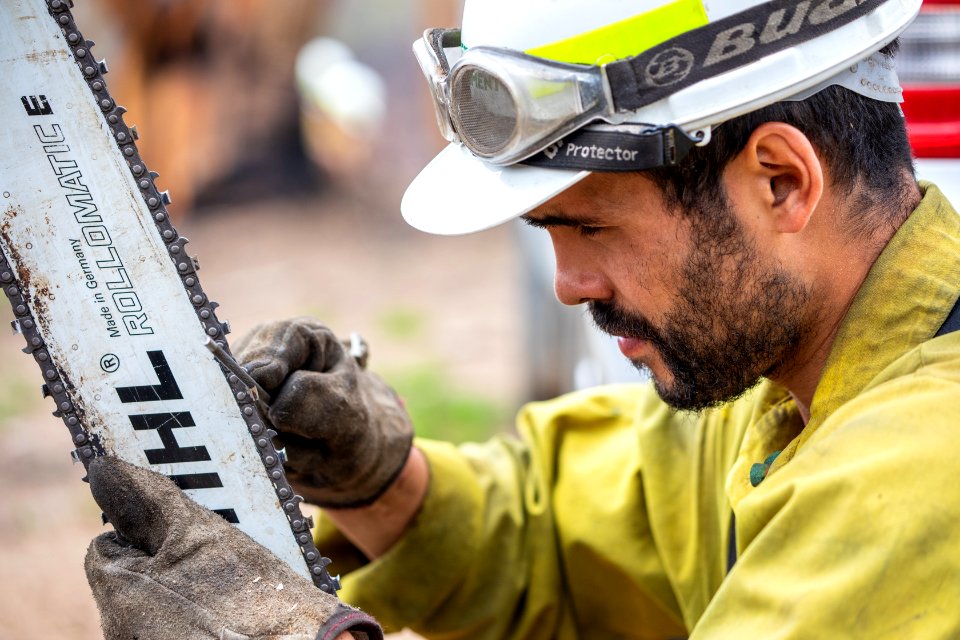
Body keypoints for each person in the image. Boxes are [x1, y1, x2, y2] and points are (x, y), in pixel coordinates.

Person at [85, 0, 960, 638]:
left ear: (780, 181)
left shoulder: (920, 476)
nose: (569, 286)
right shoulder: (791, 386)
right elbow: (562, 530)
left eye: (589, 224)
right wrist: (383, 486)